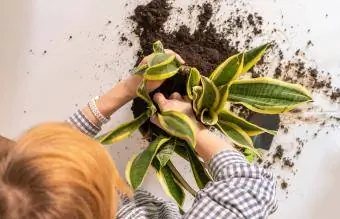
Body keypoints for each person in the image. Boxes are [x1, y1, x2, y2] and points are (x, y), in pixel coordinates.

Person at [0, 50, 277, 219]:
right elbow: (253, 186)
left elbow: (46, 169)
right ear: (102, 201)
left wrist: (125, 90)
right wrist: (193, 130)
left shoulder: (22, 200)